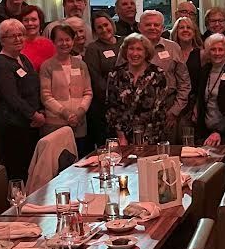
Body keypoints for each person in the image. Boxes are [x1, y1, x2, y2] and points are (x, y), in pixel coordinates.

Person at [0, 18, 44, 179]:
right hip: (13, 126)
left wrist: (39, 110)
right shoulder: (2, 64)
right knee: (18, 171)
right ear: (2, 40)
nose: (18, 39)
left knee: (30, 168)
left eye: (21, 35)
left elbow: (35, 87)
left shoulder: (23, 58)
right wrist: (34, 115)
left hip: (29, 124)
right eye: (12, 36)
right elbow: (12, 97)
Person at [105, 34, 172, 148]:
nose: (135, 53)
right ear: (125, 51)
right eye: (131, 49)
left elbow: (159, 111)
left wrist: (145, 140)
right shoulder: (115, 74)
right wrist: (121, 137)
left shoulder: (158, 75)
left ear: (146, 53)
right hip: (122, 139)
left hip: (152, 138)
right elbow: (111, 108)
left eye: (139, 49)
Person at [40, 23, 93, 153]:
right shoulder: (47, 66)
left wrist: (79, 113)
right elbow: (46, 96)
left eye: (68, 39)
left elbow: (88, 92)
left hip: (79, 123)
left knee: (80, 162)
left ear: (73, 41)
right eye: (60, 40)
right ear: (53, 42)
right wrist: (66, 114)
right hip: (55, 125)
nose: (64, 43)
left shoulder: (81, 64)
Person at [141, 10, 191, 136]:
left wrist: (174, 111)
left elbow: (184, 82)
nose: (152, 28)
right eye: (148, 25)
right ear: (139, 27)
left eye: (156, 25)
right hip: (139, 111)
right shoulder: (130, 48)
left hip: (168, 108)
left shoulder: (173, 48)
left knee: (167, 151)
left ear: (162, 28)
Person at [83, 14, 121, 146]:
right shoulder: (93, 49)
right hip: (105, 106)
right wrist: (114, 97)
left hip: (127, 105)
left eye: (106, 25)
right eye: (99, 27)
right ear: (95, 31)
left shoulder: (124, 42)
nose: (104, 29)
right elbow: (96, 78)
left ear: (112, 24)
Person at [172, 17, 205, 99]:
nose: (185, 30)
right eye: (181, 28)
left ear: (194, 32)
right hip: (172, 101)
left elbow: (203, 83)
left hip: (194, 101)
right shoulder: (170, 53)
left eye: (189, 27)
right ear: (176, 32)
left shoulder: (202, 54)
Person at [19, 3, 56, 70]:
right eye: (26, 20)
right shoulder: (17, 45)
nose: (30, 23)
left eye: (34, 19)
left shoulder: (49, 45)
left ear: (40, 21)